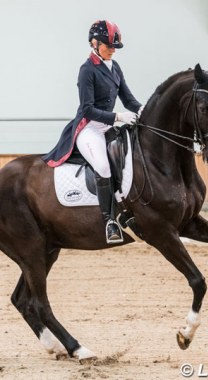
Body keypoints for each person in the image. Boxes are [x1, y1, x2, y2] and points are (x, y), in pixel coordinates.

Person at [42, 20, 143, 244]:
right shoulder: (87, 70)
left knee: (128, 160)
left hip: (108, 125)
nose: (113, 50)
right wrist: (118, 117)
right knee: (104, 166)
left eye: (115, 46)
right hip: (89, 128)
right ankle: (109, 221)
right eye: (109, 45)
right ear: (95, 43)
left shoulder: (114, 67)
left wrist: (144, 110)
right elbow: (87, 109)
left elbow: (128, 99)